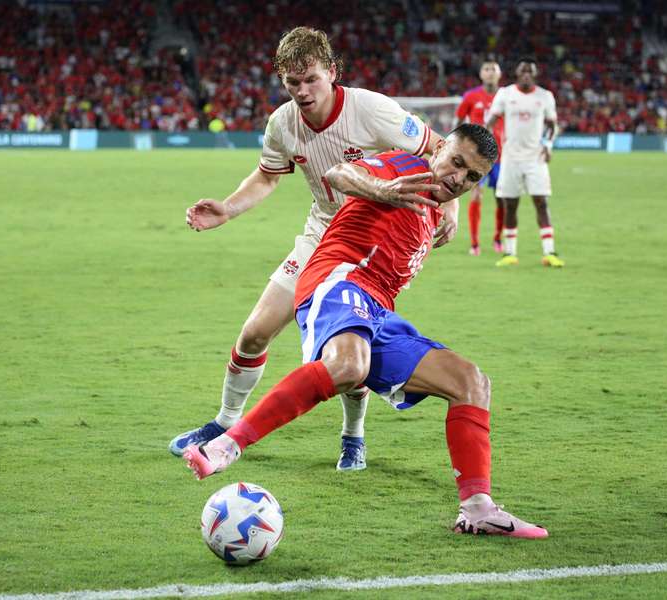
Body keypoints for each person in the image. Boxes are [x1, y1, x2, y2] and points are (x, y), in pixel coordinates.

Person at [184, 124, 549, 539]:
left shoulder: (432, 210)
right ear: (441, 146)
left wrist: (444, 210)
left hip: (378, 311)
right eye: (456, 163)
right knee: (347, 365)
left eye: (471, 177)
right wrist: (385, 190)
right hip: (338, 280)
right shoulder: (403, 167)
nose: (458, 179)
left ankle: (478, 508)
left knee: (472, 382)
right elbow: (340, 174)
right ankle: (227, 444)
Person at [169, 27, 456, 472]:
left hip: (368, 246)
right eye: (291, 83)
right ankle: (225, 423)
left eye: (311, 80)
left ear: (333, 73)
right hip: (319, 235)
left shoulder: (372, 110)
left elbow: (440, 149)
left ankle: (353, 436)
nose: (302, 91)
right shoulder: (283, 123)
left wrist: (450, 208)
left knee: (346, 347)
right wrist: (227, 209)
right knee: (254, 333)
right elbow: (267, 176)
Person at [484, 58, 564, 268]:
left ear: (535, 75)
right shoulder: (506, 94)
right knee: (510, 204)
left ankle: (550, 252)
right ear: (517, 74)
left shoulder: (545, 96)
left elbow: (552, 125)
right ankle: (510, 253)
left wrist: (548, 145)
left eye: (530, 71)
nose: (527, 74)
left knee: (541, 202)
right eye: (523, 71)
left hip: (535, 159)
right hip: (510, 159)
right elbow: (490, 122)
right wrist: (485, 146)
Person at [455, 59, 505, 256]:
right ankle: (475, 243)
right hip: (477, 158)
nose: (490, 72)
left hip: (502, 157)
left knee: (502, 199)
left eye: (494, 69)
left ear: (499, 73)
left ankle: (498, 239)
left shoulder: (507, 96)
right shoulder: (471, 96)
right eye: (486, 69)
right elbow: (459, 121)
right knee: (476, 195)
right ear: (481, 74)